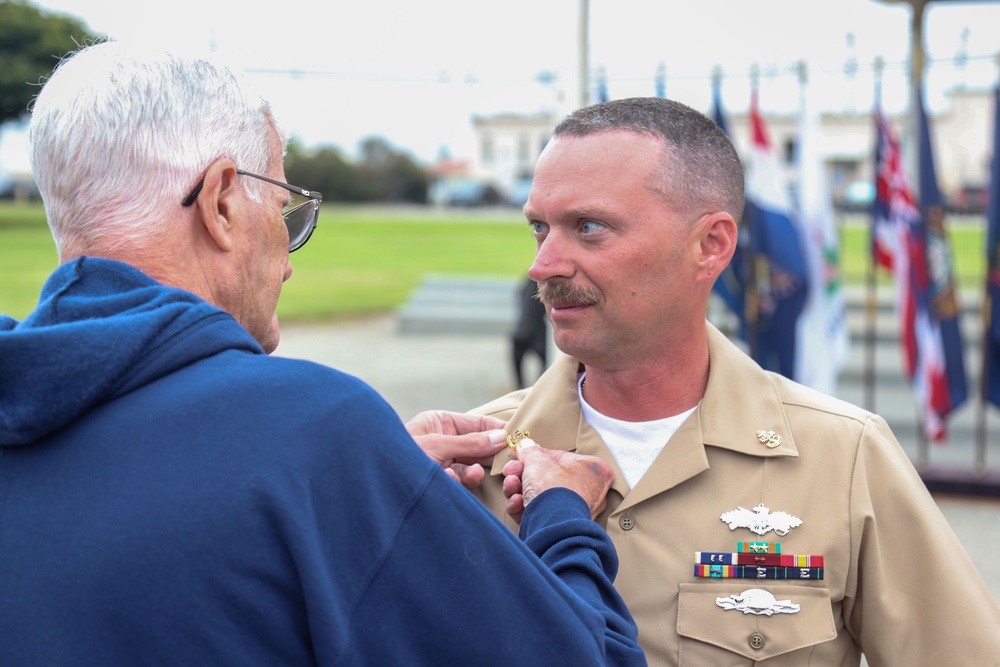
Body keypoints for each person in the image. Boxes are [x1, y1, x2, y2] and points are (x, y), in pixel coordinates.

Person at [0, 40, 646, 666]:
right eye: (284, 210)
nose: (286, 260)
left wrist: (370, 485)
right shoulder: (310, 433)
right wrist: (563, 514)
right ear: (222, 202)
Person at [466, 97, 1000, 665]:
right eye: (540, 228)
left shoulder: (842, 457)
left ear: (711, 245)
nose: (543, 264)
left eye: (589, 228)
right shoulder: (473, 462)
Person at [511, 275, 548, 387]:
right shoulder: (541, 285)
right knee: (547, 361)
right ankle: (537, 387)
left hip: (521, 329)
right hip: (535, 331)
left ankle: (520, 386)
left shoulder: (527, 283)